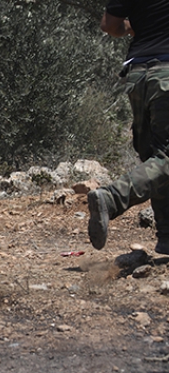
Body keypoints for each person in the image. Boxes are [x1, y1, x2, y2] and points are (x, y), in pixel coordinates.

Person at [88, 0, 169, 255]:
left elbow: (110, 25)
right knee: (165, 159)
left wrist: (131, 27)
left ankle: (167, 236)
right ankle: (111, 198)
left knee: (154, 158)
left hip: (138, 74)